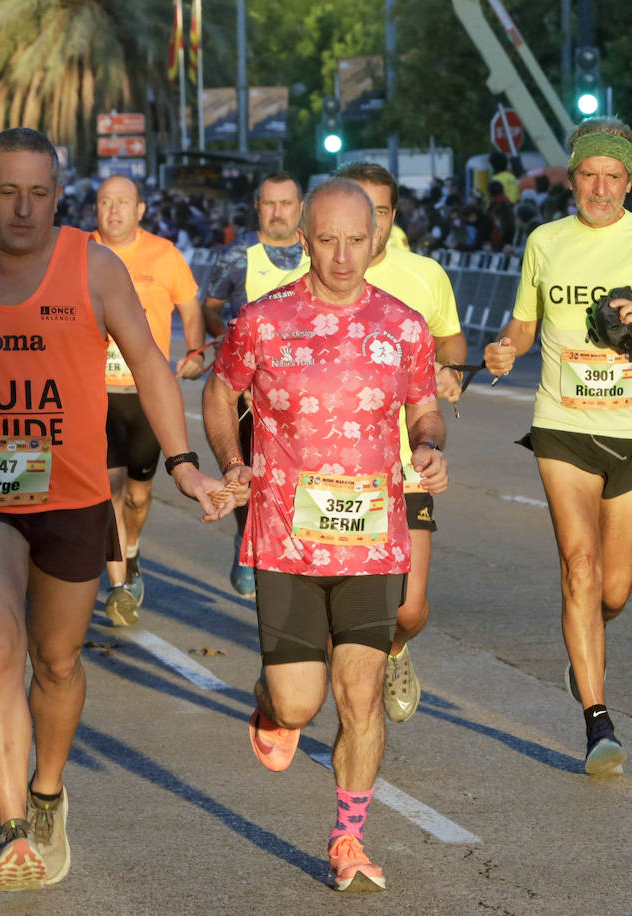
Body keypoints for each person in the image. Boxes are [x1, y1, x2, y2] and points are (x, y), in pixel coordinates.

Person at [0, 128, 231, 891]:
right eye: (8, 192)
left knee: (58, 662)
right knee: (0, 646)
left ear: (58, 197)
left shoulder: (93, 268)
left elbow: (150, 363)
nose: (25, 209)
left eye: (39, 193)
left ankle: (46, 792)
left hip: (72, 493)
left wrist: (185, 464)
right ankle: (10, 832)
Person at [203, 179, 445, 893]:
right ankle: (271, 705)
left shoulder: (403, 324)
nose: (342, 255)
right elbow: (220, 391)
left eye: (356, 239)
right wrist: (231, 462)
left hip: (372, 540)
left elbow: (424, 407)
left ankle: (349, 839)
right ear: (303, 241)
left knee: (360, 693)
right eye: (327, 239)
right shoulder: (263, 321)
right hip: (284, 541)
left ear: (377, 240)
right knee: (301, 704)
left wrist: (428, 445)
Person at [483, 118, 632, 776]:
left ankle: (585, 641)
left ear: (629, 183)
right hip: (563, 424)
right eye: (589, 175)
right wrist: (504, 348)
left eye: (612, 177)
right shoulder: (546, 242)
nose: (600, 188)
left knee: (612, 591)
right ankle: (597, 720)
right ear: (573, 180)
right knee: (579, 569)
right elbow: (524, 325)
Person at [337, 161, 465, 723]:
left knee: (408, 610)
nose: (372, 221)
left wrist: (451, 372)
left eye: (382, 210)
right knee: (339, 608)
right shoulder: (312, 274)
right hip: (332, 469)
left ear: (391, 216)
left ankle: (395, 649)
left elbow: (452, 342)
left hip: (405, 465)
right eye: (360, 208)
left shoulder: (425, 275)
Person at [89, 175, 206, 625]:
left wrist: (195, 353)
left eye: (123, 202)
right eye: (105, 202)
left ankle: (131, 551)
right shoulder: (78, 251)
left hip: (146, 396)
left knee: (138, 496)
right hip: (96, 395)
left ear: (139, 210)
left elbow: (190, 306)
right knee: (111, 492)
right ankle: (118, 586)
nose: (114, 210)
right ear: (95, 208)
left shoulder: (165, 254)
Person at [202, 173, 310, 597]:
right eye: (269, 203)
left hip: (303, 391)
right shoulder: (237, 255)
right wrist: (224, 340)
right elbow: (210, 308)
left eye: (286, 203)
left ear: (300, 206)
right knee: (248, 475)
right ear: (257, 206)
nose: (278, 212)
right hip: (248, 392)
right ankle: (246, 540)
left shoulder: (314, 251)